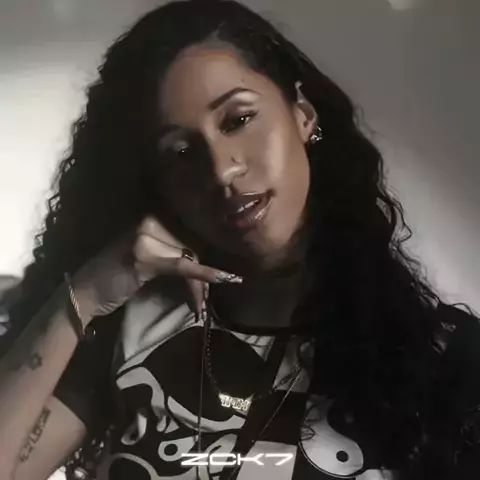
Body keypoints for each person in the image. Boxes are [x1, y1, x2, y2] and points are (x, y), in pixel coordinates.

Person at [0, 1, 479, 479]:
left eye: (238, 120)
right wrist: (84, 294)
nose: (221, 169)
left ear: (303, 114)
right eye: (180, 151)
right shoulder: (130, 331)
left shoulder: (444, 360)